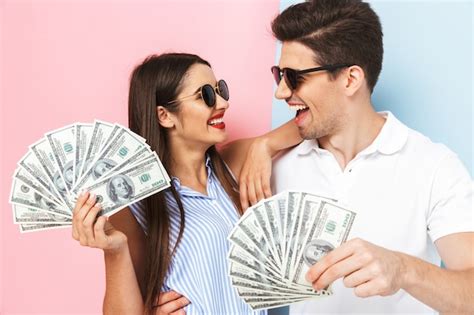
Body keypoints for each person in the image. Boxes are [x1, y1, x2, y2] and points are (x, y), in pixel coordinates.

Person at [264, 0, 473, 313]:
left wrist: (403, 269)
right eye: (279, 74)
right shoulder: (276, 165)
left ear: (350, 79)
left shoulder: (433, 166)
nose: (280, 92)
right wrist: (262, 145)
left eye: (295, 77)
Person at [71, 53, 302, 314]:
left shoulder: (232, 165)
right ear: (165, 116)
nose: (223, 102)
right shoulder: (137, 204)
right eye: (206, 95)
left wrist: (265, 144)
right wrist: (115, 250)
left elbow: (309, 125)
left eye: (220, 89)